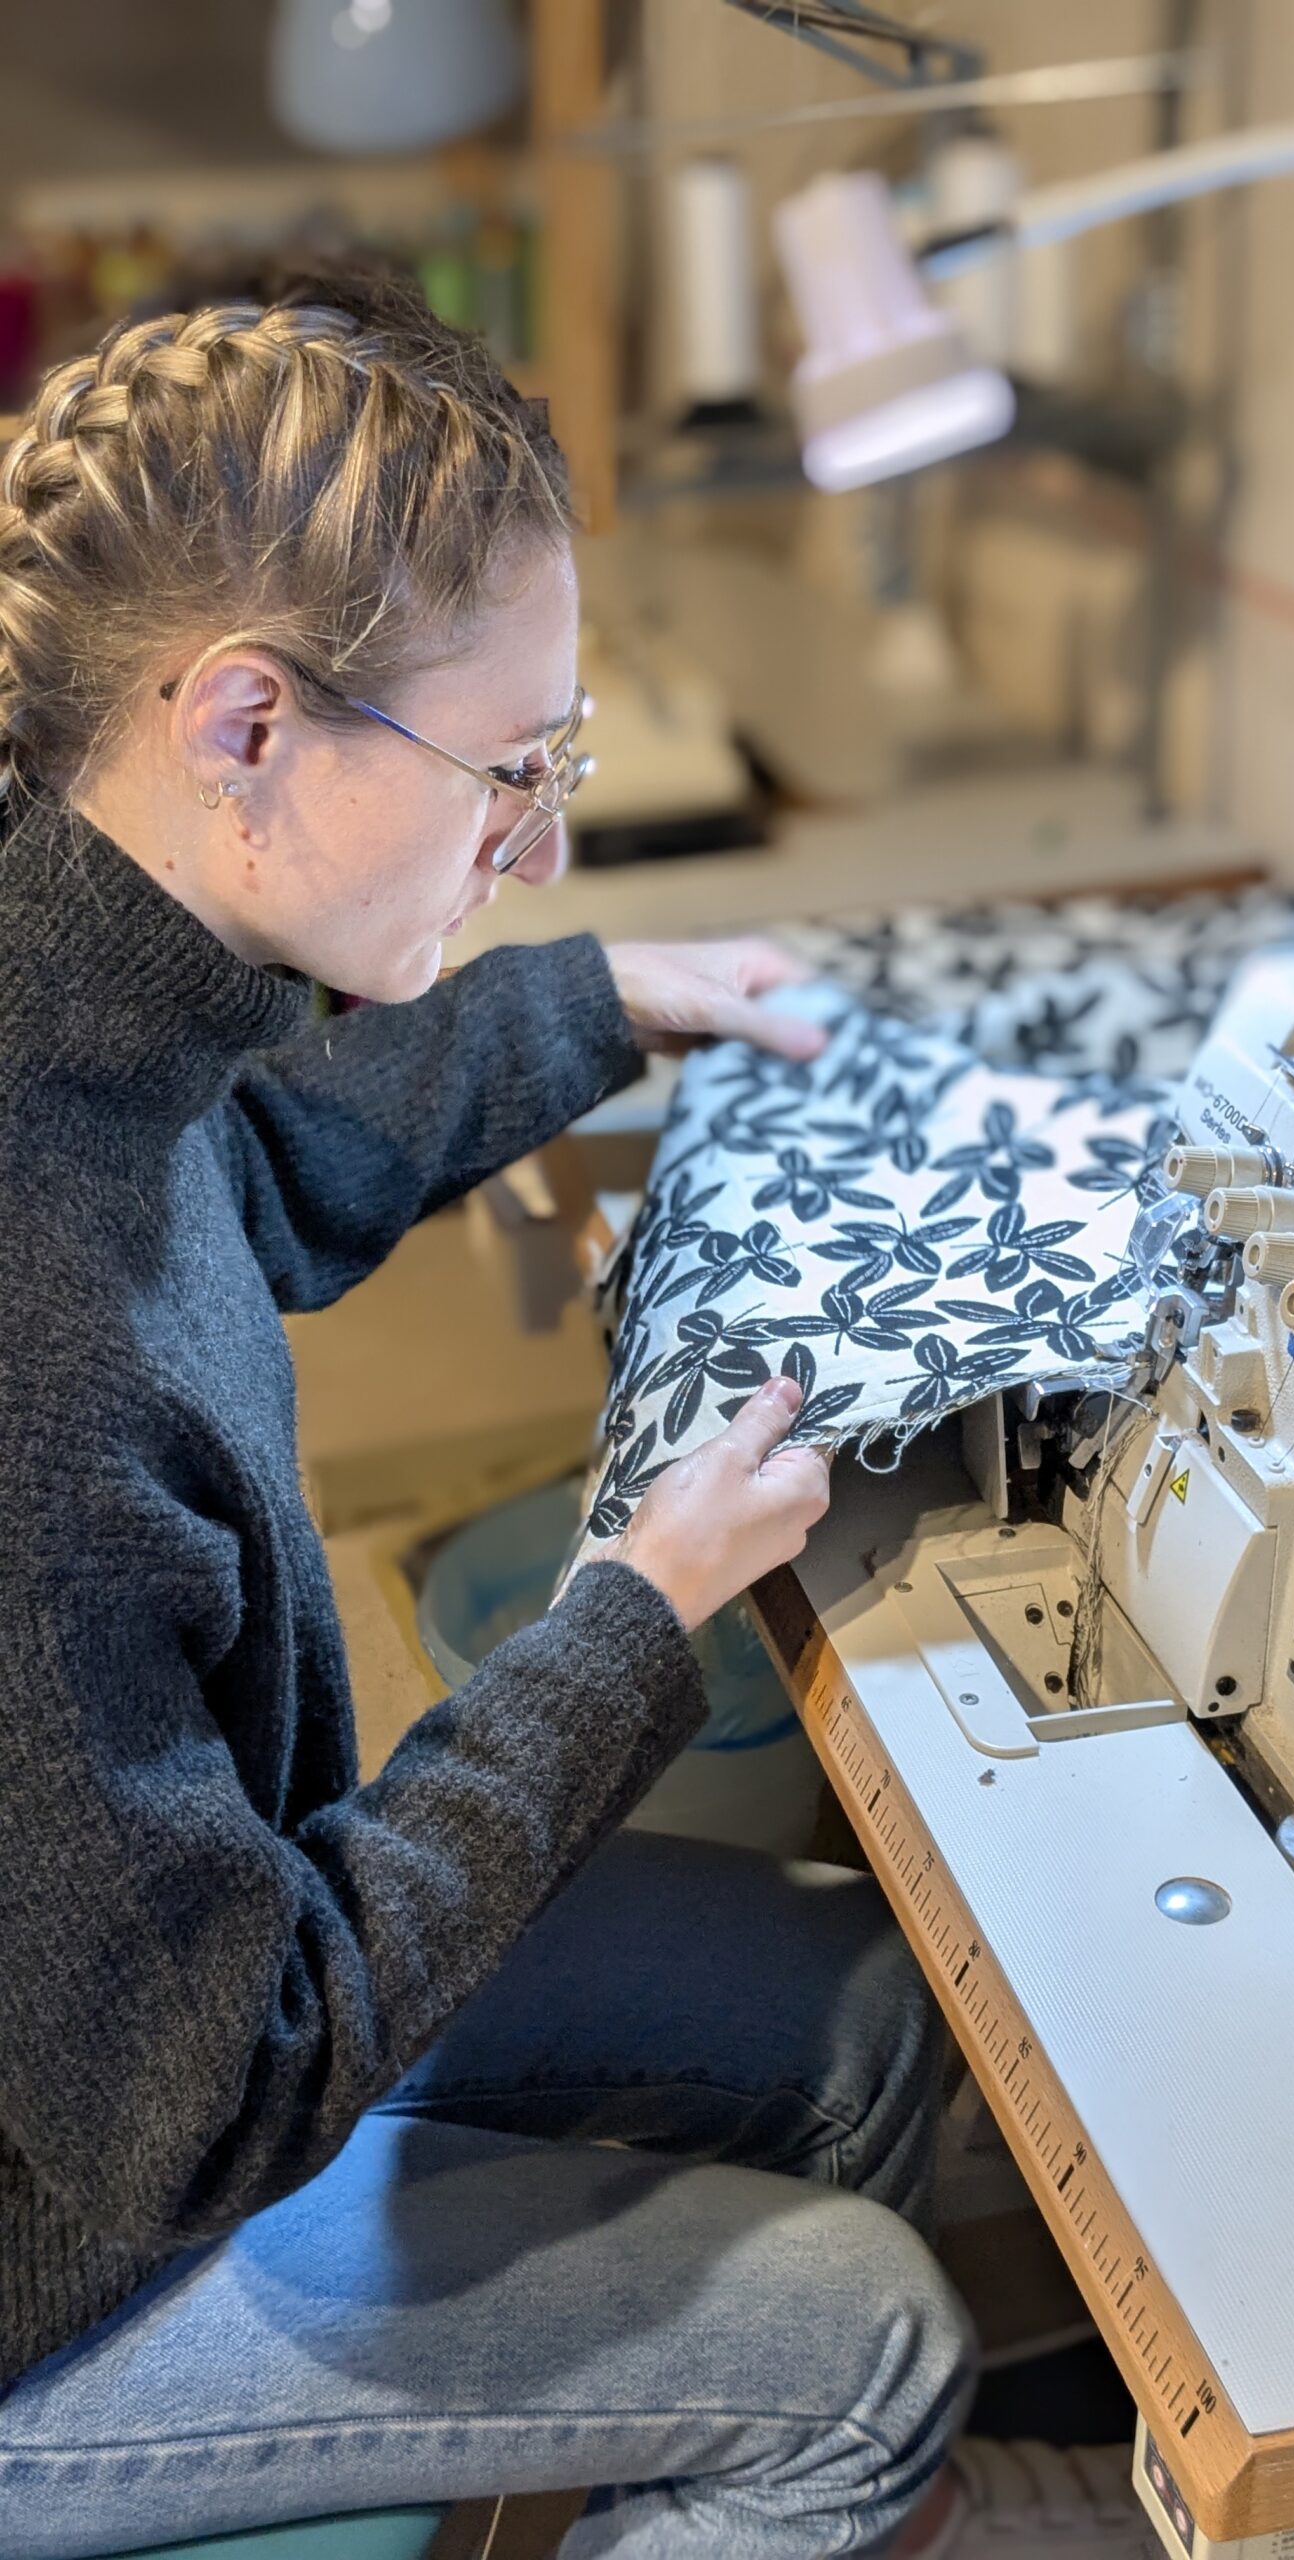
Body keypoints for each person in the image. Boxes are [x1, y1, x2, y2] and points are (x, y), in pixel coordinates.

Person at [0, 273, 975, 2559]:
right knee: (873, 2346)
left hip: (149, 1987)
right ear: (246, 720)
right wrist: (629, 1614)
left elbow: (239, 1172)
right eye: (506, 773)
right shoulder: (34, 1360)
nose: (534, 843)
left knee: (868, 2018)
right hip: (77, 2215)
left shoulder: (83, 986)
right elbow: (206, 2100)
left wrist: (602, 997)